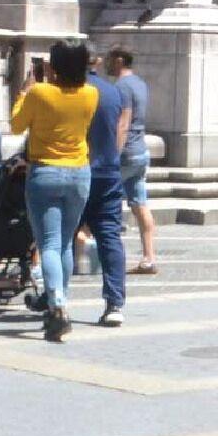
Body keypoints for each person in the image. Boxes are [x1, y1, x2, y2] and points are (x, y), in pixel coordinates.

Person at [13, 41, 101, 342]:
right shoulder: (90, 93)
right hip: (79, 172)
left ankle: (57, 306)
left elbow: (15, 125)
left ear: (54, 65)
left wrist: (25, 91)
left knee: (48, 243)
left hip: (45, 170)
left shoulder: (40, 93)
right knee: (64, 243)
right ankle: (61, 298)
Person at [82, 59, 134, 327]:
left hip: (75, 171)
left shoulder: (68, 89)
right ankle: (114, 303)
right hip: (107, 172)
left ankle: (54, 300)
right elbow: (119, 129)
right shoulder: (114, 91)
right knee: (110, 237)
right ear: (97, 62)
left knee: (61, 236)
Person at [104, 48, 159, 275]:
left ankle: (89, 250)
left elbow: (122, 124)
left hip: (125, 152)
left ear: (118, 61)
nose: (106, 64)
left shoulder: (121, 87)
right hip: (140, 151)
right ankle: (149, 257)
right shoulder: (140, 84)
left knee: (101, 197)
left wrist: (112, 155)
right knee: (139, 204)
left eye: (109, 60)